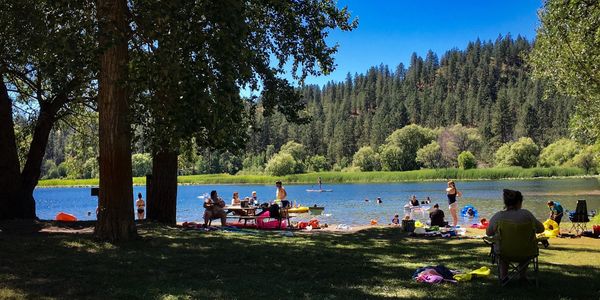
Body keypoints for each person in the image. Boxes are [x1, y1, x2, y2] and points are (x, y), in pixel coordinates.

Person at [486, 189, 544, 282]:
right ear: (519, 202)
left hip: (504, 252)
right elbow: (541, 229)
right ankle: (522, 276)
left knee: (501, 247)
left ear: (505, 202)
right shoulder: (527, 214)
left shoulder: (498, 216)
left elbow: (488, 233)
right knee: (525, 246)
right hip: (527, 251)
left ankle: (504, 276)